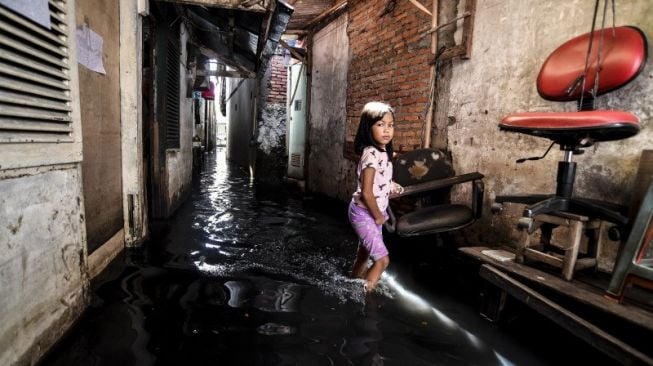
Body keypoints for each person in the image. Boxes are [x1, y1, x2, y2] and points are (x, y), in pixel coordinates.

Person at [349, 101, 403, 294]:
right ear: (367, 127)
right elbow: (366, 192)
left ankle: (352, 284)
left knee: (364, 255)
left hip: (372, 212)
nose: (387, 130)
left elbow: (379, 181)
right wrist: (379, 217)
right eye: (380, 125)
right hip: (365, 213)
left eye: (390, 125)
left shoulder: (383, 152)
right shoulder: (370, 154)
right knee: (382, 260)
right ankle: (366, 298)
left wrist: (390, 185)